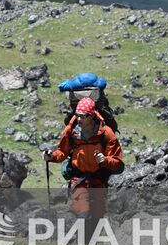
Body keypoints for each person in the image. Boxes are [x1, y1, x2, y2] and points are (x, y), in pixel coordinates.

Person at [46, 98, 123, 232]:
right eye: (77, 115)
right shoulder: (71, 131)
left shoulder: (106, 133)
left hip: (99, 182)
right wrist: (51, 157)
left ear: (91, 116)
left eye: (82, 116)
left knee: (98, 218)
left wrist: (104, 160)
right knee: (83, 215)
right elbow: (62, 152)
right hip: (79, 180)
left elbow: (117, 162)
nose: (79, 119)